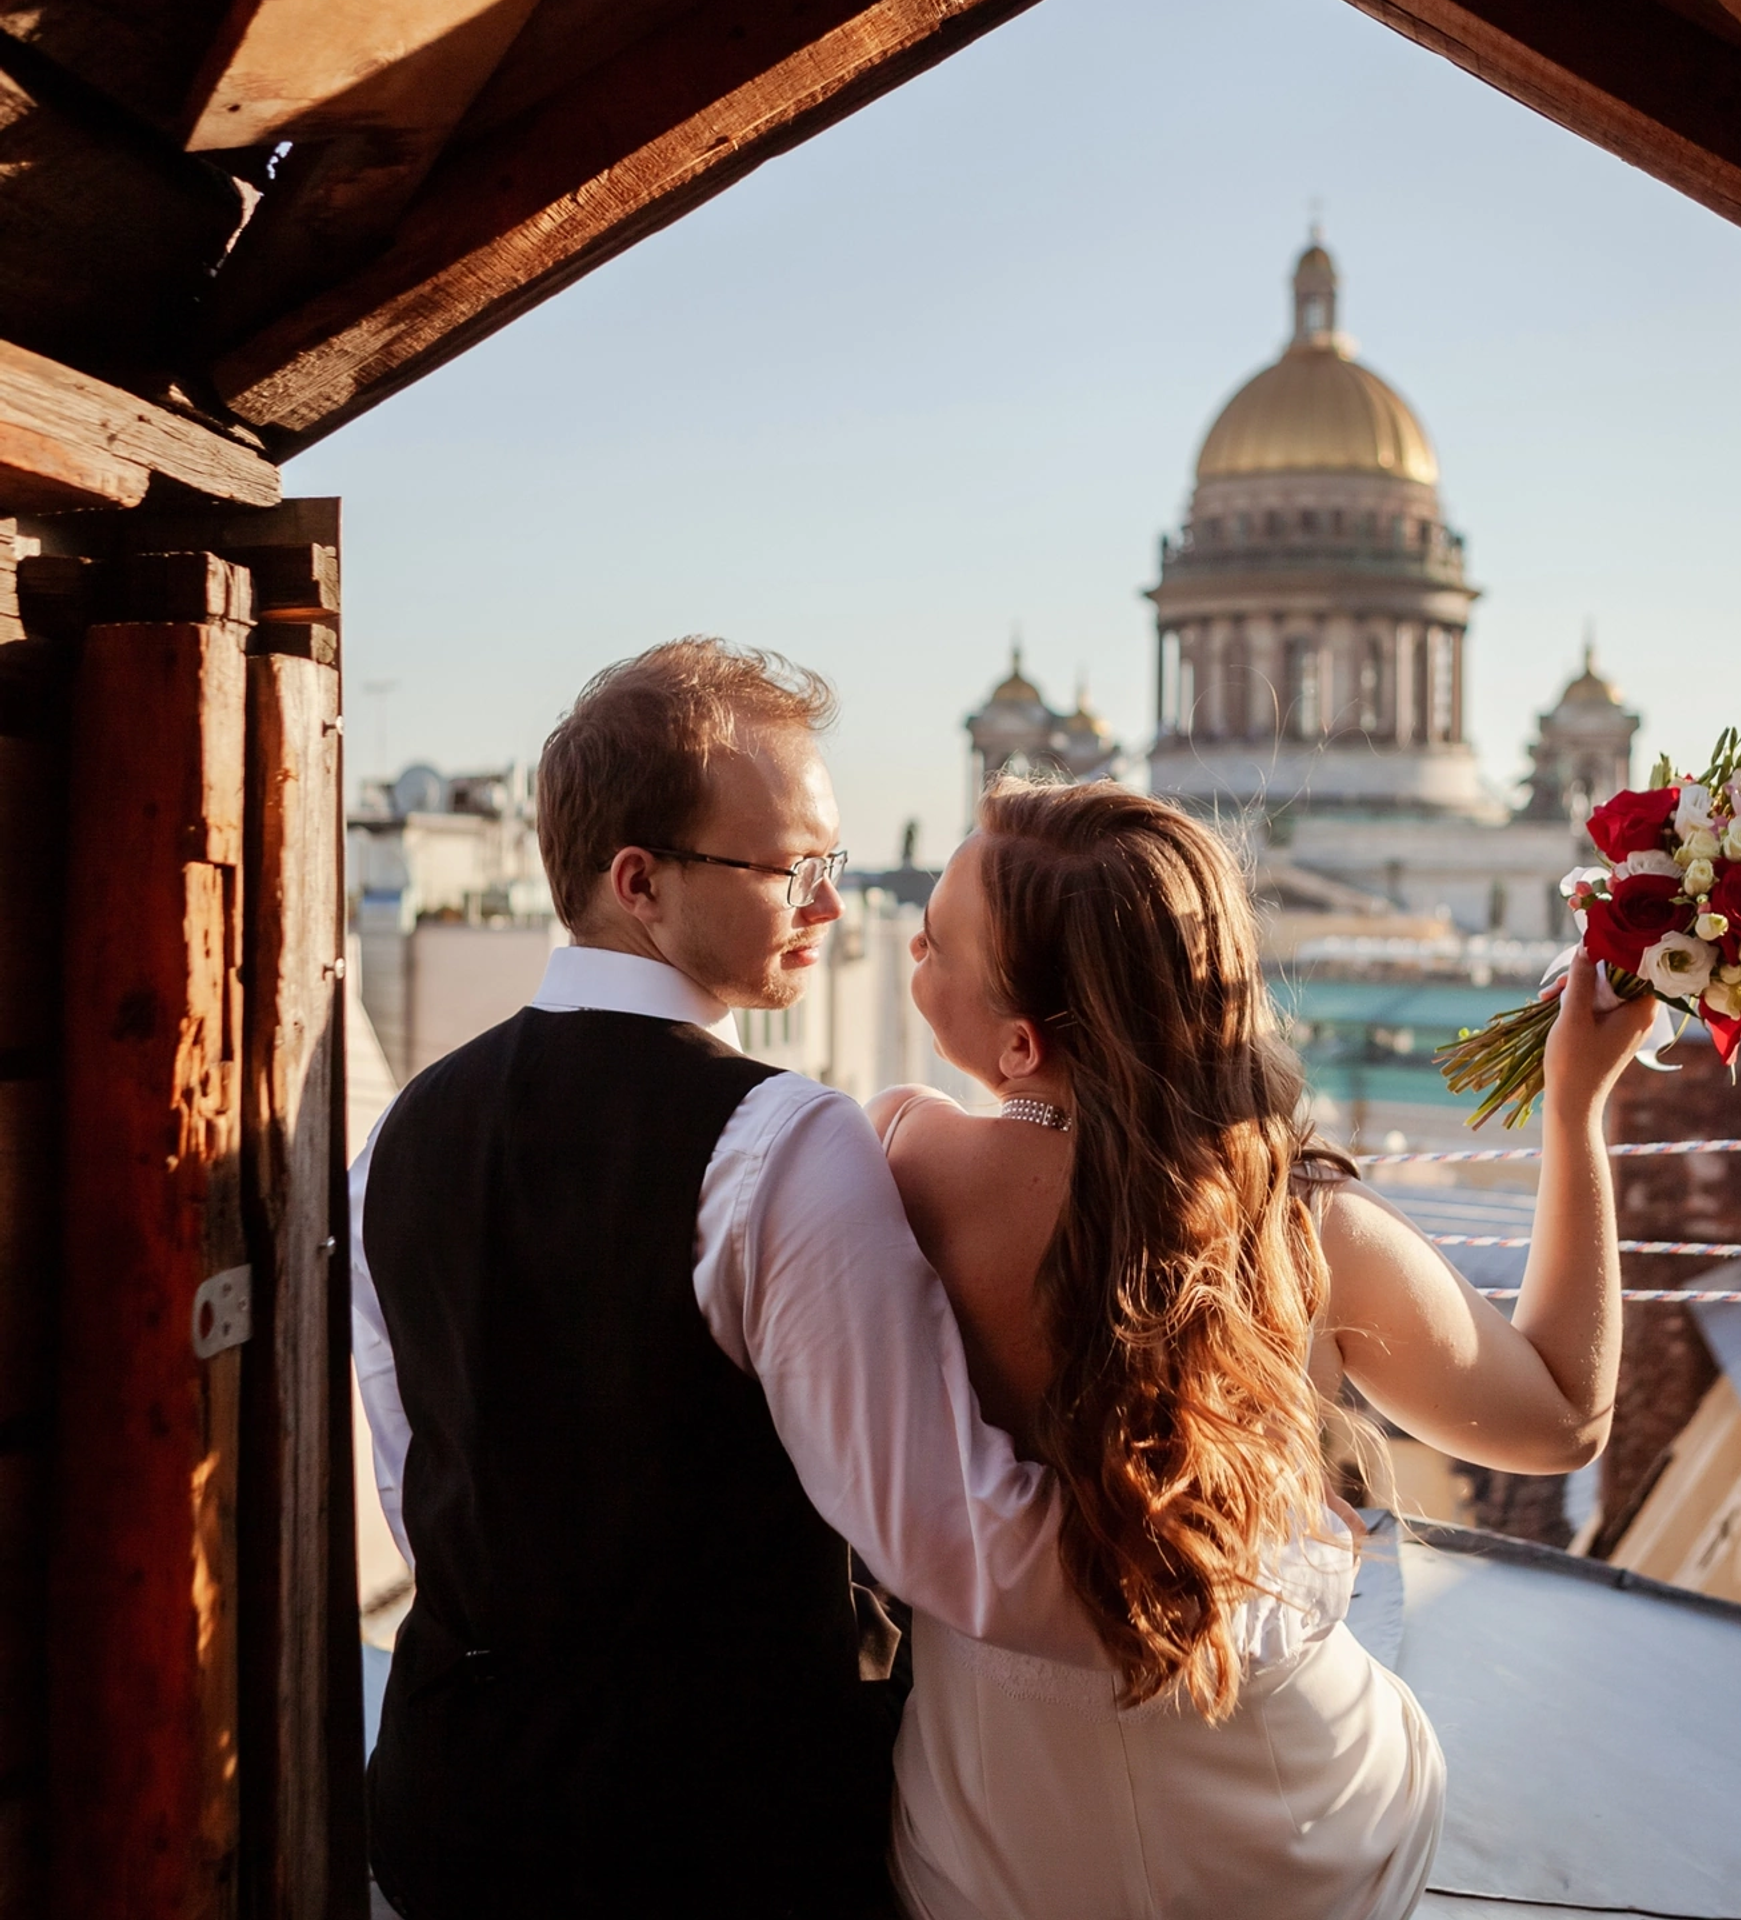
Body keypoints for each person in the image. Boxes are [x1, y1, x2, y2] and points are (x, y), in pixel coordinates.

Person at [349, 643, 1096, 1920]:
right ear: (639, 882)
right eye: (791, 869)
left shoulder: (401, 1129)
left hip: (450, 1815)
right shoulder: (783, 1140)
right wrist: (1222, 1574)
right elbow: (953, 1541)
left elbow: (425, 1494)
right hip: (723, 1843)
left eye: (833, 867)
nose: (830, 907)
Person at [870, 778, 1659, 1920]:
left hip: (998, 1843)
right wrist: (1575, 1109)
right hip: (1297, 1841)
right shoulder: (1302, 1223)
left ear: (1020, 1044)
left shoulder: (897, 1165)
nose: (911, 943)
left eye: (934, 942)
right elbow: (1564, 1421)